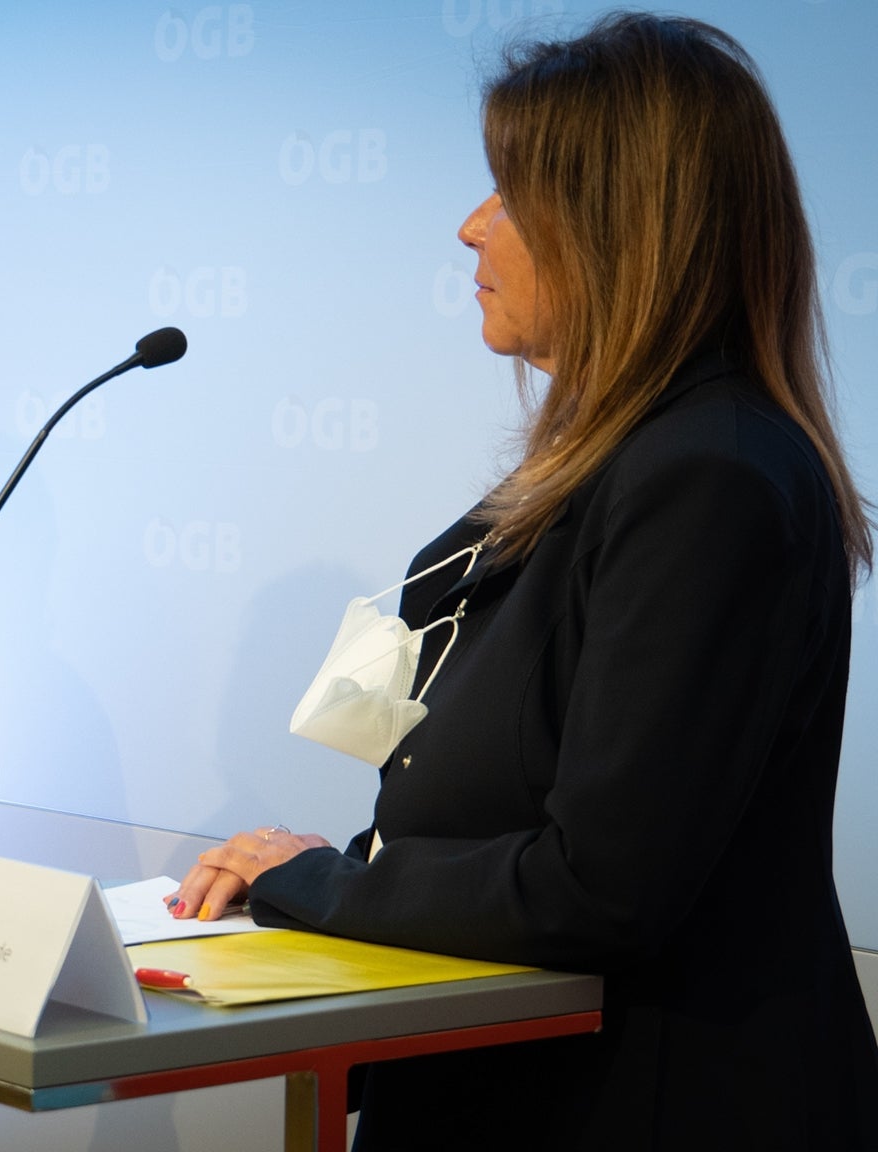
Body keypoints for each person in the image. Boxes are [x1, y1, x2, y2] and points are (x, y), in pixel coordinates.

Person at [168, 14, 878, 1150]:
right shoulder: (624, 462)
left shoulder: (707, 478)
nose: (467, 227)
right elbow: (513, 806)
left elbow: (598, 885)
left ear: (615, 227)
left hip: (640, 1103)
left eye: (504, 195)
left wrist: (317, 882)